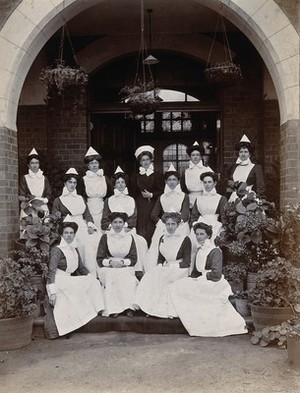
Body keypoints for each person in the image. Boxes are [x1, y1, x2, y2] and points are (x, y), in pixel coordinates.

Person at [169, 222, 247, 337]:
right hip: (201, 279)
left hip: (213, 282)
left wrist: (202, 278)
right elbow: (196, 271)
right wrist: (192, 279)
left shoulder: (215, 251)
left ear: (208, 236)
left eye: (202, 234)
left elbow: (216, 274)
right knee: (176, 285)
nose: (199, 237)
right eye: (197, 234)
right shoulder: (200, 250)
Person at [44, 216, 104, 339]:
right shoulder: (57, 250)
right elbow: (51, 271)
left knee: (93, 283)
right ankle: (74, 321)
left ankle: (98, 311)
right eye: (66, 233)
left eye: (71, 233)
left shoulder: (74, 248)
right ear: (61, 234)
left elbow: (81, 268)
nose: (69, 235)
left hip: (69, 279)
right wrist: (52, 292)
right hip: (59, 280)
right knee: (74, 293)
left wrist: (91, 277)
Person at [134, 212, 191, 318]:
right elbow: (160, 258)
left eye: (173, 224)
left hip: (179, 268)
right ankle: (150, 308)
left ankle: (163, 310)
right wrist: (160, 265)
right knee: (150, 275)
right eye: (168, 224)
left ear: (178, 225)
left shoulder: (185, 239)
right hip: (166, 266)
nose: (170, 227)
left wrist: (170, 267)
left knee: (161, 277)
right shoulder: (163, 238)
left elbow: (187, 262)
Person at [52, 168, 101, 275]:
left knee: (94, 239)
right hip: (68, 228)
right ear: (65, 183)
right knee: (83, 243)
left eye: (74, 182)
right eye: (70, 182)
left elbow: (87, 215)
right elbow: (54, 218)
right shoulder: (58, 200)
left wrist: (90, 225)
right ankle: (82, 272)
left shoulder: (80, 198)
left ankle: (93, 273)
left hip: (83, 225)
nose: (72, 185)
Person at [101, 166, 148, 274]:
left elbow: (134, 217)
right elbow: (104, 221)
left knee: (139, 242)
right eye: (118, 182)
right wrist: (116, 228)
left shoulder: (131, 200)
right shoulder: (109, 200)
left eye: (123, 182)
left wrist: (125, 227)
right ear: (114, 184)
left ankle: (138, 270)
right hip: (113, 231)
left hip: (128, 230)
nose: (121, 184)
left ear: (126, 184)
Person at [147, 164, 190, 270]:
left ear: (178, 181)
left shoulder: (184, 196)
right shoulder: (162, 197)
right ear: (166, 182)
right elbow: (154, 214)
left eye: (174, 179)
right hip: (166, 225)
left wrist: (177, 222)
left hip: (180, 224)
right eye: (169, 179)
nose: (172, 182)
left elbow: (185, 214)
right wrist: (162, 222)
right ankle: (160, 267)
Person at [96, 212, 139, 317]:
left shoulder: (129, 237)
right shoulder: (105, 237)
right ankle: (114, 308)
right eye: (115, 222)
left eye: (120, 222)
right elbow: (99, 258)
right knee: (113, 276)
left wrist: (123, 262)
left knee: (127, 277)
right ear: (111, 223)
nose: (118, 225)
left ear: (124, 223)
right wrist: (110, 262)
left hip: (125, 266)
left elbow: (134, 258)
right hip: (109, 266)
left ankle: (129, 307)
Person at [132, 145, 164, 246]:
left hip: (153, 204)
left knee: (152, 228)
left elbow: (162, 190)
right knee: (141, 228)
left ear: (151, 160)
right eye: (142, 160)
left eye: (147, 159)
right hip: (140, 205)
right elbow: (133, 192)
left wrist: (151, 194)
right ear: (140, 162)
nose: (145, 162)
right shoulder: (135, 176)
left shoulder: (157, 175)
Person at [190, 171, 227, 257]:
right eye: (205, 182)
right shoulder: (198, 198)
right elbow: (194, 216)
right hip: (200, 226)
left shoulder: (221, 198)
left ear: (215, 183)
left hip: (215, 226)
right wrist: (196, 225)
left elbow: (224, 217)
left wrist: (222, 229)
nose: (207, 184)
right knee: (194, 247)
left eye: (209, 182)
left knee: (212, 248)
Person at [81, 147, 113, 231]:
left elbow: (111, 193)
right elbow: (81, 197)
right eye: (91, 163)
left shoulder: (104, 178)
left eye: (96, 163)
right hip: (89, 207)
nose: (94, 165)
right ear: (87, 165)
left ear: (99, 164)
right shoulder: (84, 179)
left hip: (103, 208)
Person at [228, 134, 266, 202]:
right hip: (234, 198)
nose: (243, 154)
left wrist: (258, 199)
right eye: (241, 152)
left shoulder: (256, 168)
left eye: (246, 152)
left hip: (249, 198)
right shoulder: (234, 168)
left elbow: (260, 187)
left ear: (250, 154)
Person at [19, 148, 51, 218]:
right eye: (32, 163)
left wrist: (44, 201)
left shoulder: (44, 178)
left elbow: (48, 193)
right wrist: (31, 202)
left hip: (42, 207)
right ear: (28, 165)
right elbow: (22, 194)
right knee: (28, 227)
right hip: (29, 208)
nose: (34, 165)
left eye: (36, 163)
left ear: (39, 164)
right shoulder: (24, 178)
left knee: (44, 227)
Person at [180, 141, 213, 209]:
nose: (195, 157)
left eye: (197, 155)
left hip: (205, 197)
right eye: (193, 155)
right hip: (190, 200)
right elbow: (183, 189)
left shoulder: (206, 170)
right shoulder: (186, 172)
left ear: (201, 157)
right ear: (190, 157)